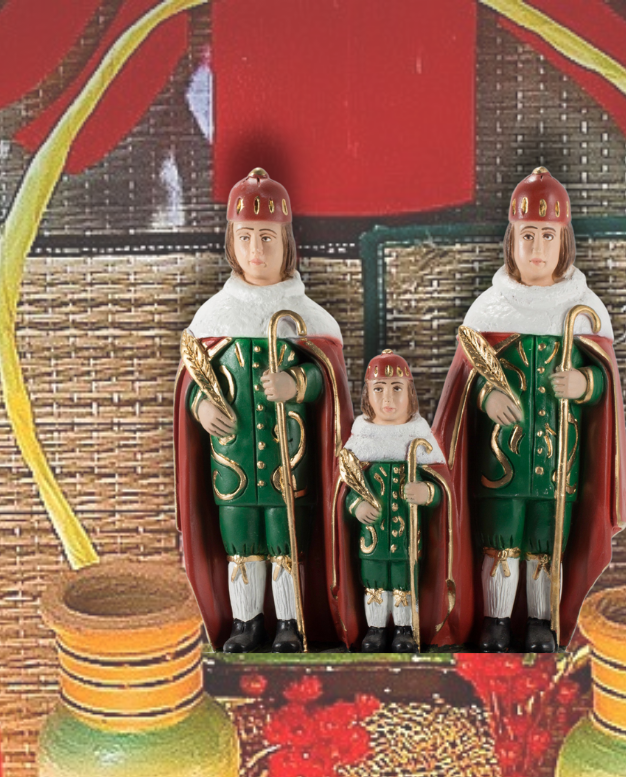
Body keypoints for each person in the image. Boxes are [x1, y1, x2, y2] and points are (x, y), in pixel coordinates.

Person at [433, 166, 626, 652]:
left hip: (559, 462)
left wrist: (585, 382)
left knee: (546, 547)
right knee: (501, 544)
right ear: (511, 241)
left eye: (547, 235)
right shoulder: (489, 311)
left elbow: (604, 383)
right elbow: (465, 381)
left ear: (564, 242)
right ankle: (496, 622)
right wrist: (488, 395)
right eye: (527, 235)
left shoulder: (585, 311)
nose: (537, 247)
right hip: (500, 464)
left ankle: (542, 621)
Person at [173, 168, 355, 652]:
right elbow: (192, 383)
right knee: (241, 547)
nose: (256, 249)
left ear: (286, 242)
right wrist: (201, 408)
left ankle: (290, 625)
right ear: (231, 242)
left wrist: (298, 382)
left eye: (267, 237)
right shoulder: (213, 318)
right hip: (231, 463)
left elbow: (330, 383)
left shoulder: (310, 319)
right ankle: (246, 623)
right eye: (245, 236)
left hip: (288, 463)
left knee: (285, 545)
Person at [338, 351, 451, 653]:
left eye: (396, 388)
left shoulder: (423, 442)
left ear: (410, 393)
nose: (388, 398)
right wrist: (356, 506)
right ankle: (375, 629)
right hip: (372, 540)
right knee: (373, 582)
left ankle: (404, 629)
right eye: (379, 388)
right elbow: (344, 490)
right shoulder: (359, 443)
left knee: (404, 583)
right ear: (367, 395)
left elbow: (444, 490)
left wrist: (428, 493)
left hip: (407, 540)